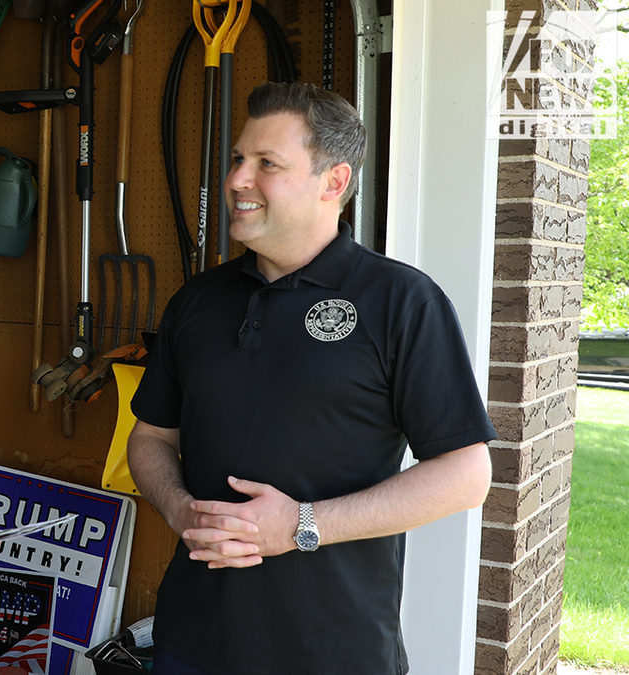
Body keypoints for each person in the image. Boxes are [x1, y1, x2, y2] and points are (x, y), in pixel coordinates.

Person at [126, 81, 495, 675]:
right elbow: (150, 439)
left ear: (335, 182)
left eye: (266, 163)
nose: (238, 179)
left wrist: (300, 526)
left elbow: (465, 475)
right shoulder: (196, 302)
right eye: (239, 159)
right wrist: (179, 509)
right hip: (190, 640)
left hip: (333, 650)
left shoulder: (401, 301)